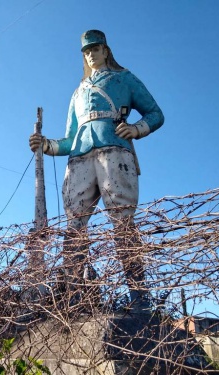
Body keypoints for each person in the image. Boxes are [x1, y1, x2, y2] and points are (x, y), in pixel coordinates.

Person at [29, 30, 164, 310]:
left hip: (114, 150)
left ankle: (139, 296)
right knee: (75, 226)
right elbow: (69, 139)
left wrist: (136, 129)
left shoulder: (124, 78)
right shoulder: (78, 93)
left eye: (96, 49)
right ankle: (73, 295)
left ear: (106, 51)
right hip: (80, 157)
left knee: (123, 222)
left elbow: (155, 113)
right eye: (86, 51)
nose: (91, 54)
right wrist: (45, 145)